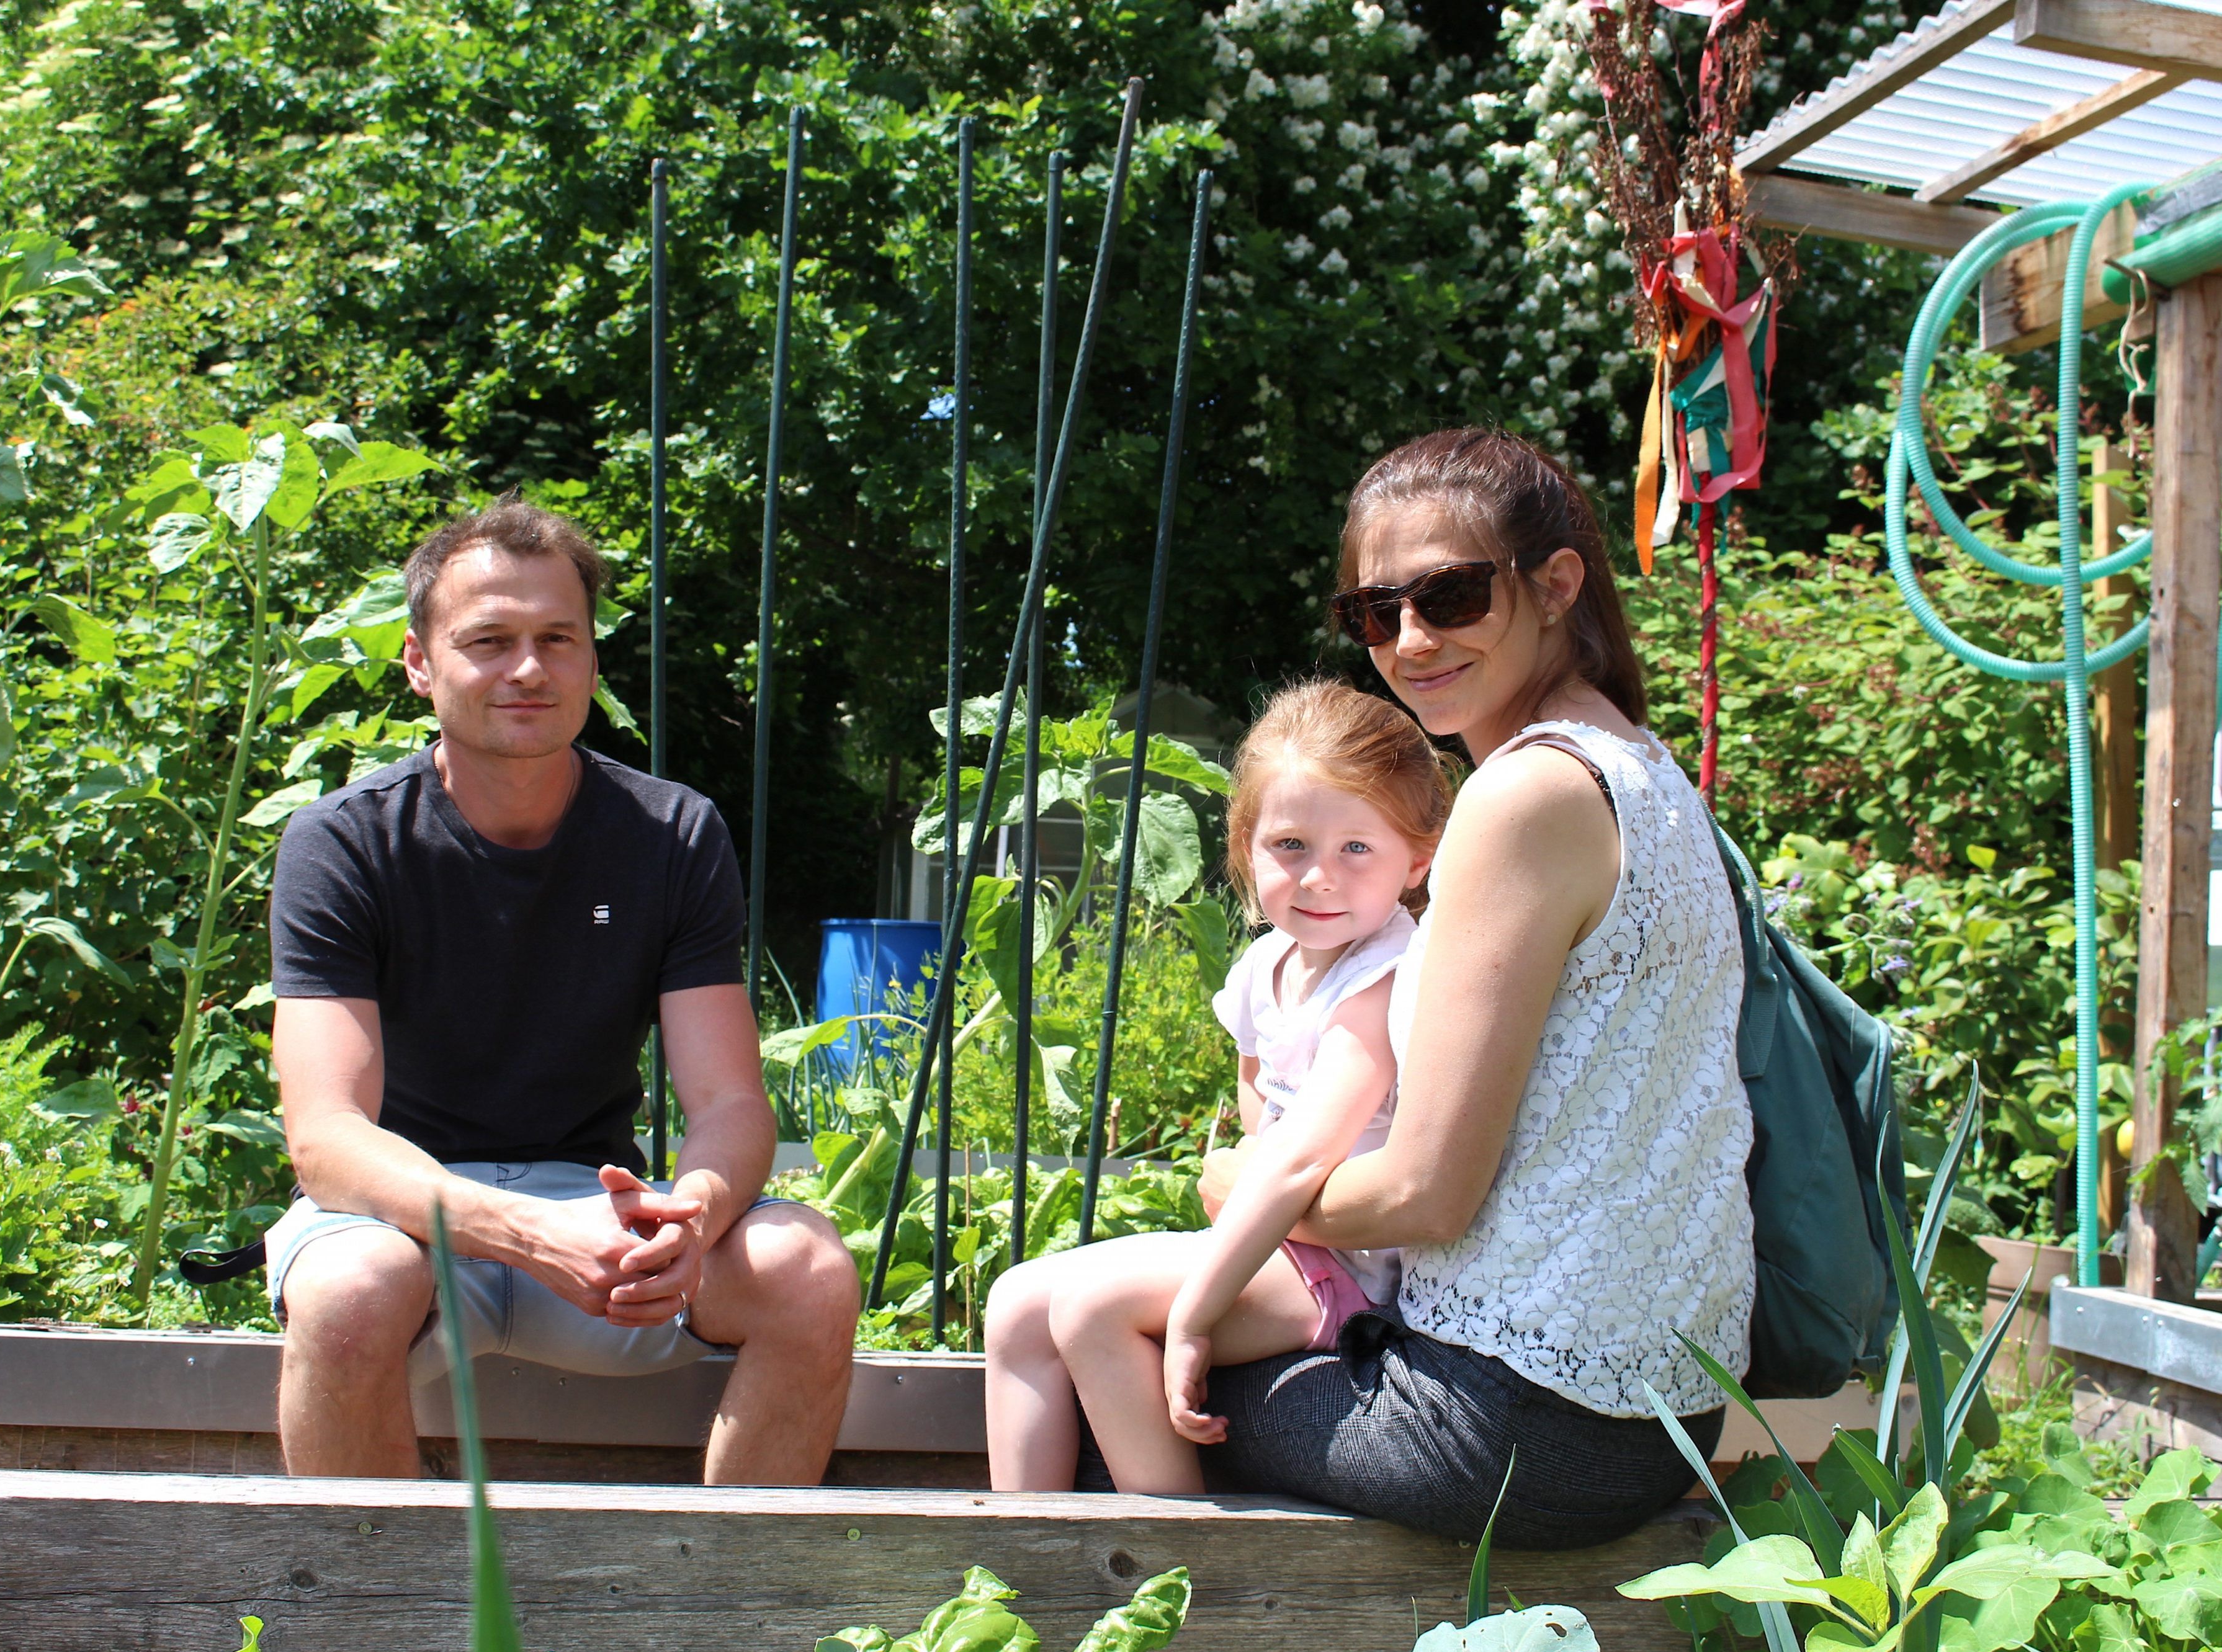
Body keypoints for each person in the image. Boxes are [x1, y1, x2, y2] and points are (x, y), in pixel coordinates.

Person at [1001, 427, 1756, 1550]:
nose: (1409, 639)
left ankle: (1139, 1646)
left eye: (1449, 595)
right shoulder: (1641, 768)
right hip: (1653, 1405)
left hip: (1512, 1421)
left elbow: (1423, 1198)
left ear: (1555, 587)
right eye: (1373, 611)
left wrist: (1241, 1191)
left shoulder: (1524, 797)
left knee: (1093, 1347)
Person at [263, 497, 861, 1484]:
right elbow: (327, 1139)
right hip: (401, 1221)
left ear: (590, 659)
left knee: (807, 1266)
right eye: (488, 641)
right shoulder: (343, 842)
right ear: (420, 663)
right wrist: (525, 1233)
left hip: (602, 1221)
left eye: (557, 639)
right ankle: (373, 1629)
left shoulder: (671, 834)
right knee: (351, 1290)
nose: (528, 669)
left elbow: (728, 1104)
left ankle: (725, 1618)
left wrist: (696, 1215)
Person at [983, 681, 1449, 1494]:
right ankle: (1023, 1552)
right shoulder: (1263, 968)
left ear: (1416, 858)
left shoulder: (1381, 981)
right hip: (1280, 1246)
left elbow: (1300, 1160)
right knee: (1017, 1300)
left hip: (1348, 1275)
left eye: (1357, 850)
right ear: (1245, 848)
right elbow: (1257, 1112)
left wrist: (1196, 1315)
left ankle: (1169, 1568)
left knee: (1092, 1306)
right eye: (1290, 846)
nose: (1319, 878)